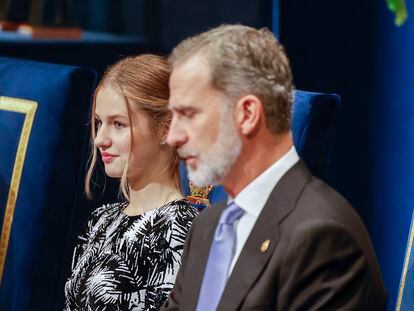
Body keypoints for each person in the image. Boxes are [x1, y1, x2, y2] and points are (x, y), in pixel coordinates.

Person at [162, 25, 387, 310]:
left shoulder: (322, 236)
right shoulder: (207, 227)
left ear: (247, 114)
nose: (173, 137)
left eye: (189, 114)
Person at [64, 54, 198, 310]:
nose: (100, 139)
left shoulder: (180, 229)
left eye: (118, 124)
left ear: (166, 129)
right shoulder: (101, 219)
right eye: (99, 123)